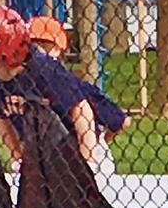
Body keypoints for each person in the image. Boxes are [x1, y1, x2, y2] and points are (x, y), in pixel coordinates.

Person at [0, 5, 110, 175]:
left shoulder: (44, 70)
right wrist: (18, 158)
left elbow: (81, 109)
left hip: (81, 145)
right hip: (40, 154)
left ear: (12, 52)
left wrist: (88, 161)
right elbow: (0, 119)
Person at [28, 15, 127, 184]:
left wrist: (94, 148)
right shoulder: (24, 80)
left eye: (43, 46)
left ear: (57, 50)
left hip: (85, 151)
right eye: (35, 46)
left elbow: (121, 121)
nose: (39, 53)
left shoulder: (71, 84)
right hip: (49, 154)